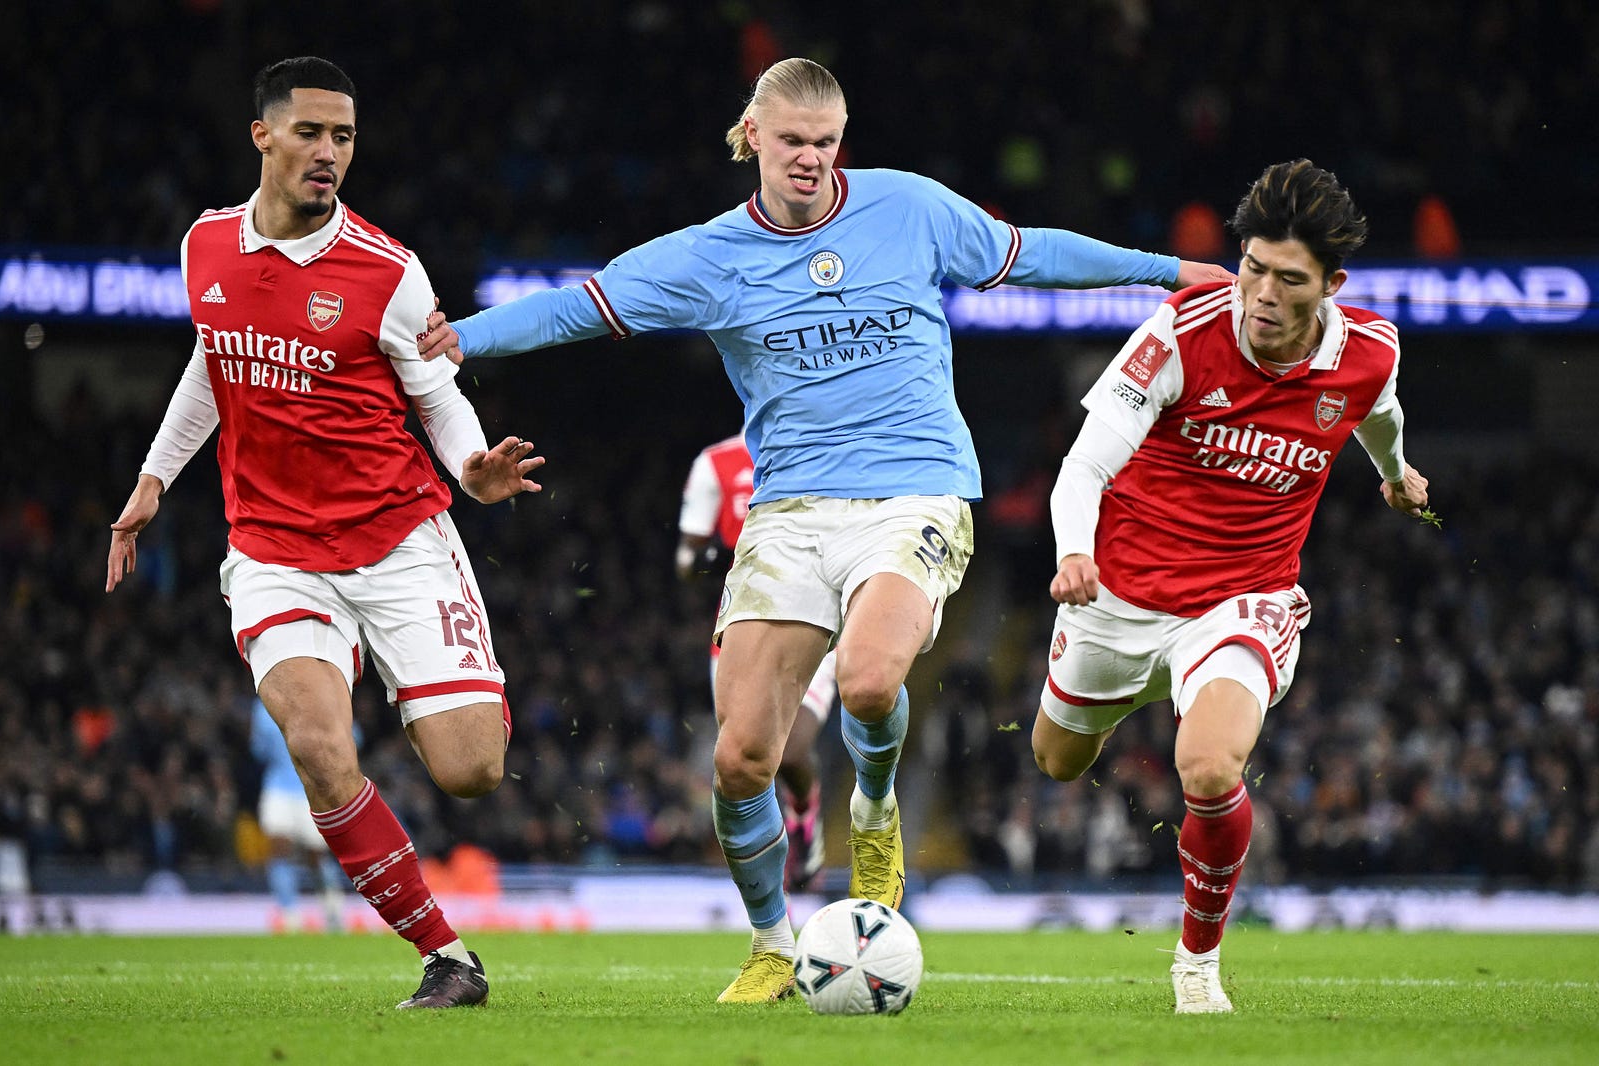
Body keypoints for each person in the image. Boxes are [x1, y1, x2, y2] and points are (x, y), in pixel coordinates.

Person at [417, 56, 1230, 1004]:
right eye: (793, 141)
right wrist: (465, 338)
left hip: (915, 495)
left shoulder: (910, 209)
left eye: (826, 142)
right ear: (752, 137)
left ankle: (875, 811)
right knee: (739, 758)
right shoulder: (707, 258)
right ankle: (770, 943)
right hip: (789, 512)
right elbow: (578, 308)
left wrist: (1167, 271)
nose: (811, 159)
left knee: (870, 679)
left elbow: (1033, 250)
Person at [105, 56, 545, 1009]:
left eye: (344, 137)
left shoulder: (386, 269)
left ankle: (431, 685)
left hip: (397, 539)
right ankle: (447, 957)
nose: (330, 153)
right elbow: (212, 364)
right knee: (314, 744)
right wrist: (153, 479)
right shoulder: (204, 247)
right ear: (262, 134)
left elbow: (438, 392)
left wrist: (473, 471)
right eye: (310, 132)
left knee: (471, 771)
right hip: (271, 549)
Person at [1031, 159, 1431, 1014]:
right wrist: (1073, 554)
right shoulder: (1179, 333)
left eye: (1290, 279)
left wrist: (1396, 475)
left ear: (1332, 285)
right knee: (1055, 761)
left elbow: (1381, 413)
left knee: (1208, 768)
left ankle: (1197, 966)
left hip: (1242, 600)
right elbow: (1084, 467)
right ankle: (1115, 696)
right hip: (1117, 594)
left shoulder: (1369, 351)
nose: (1262, 293)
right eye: (1252, 267)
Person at [677, 433, 835, 892]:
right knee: (743, 759)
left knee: (788, 749)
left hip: (818, 617)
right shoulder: (716, 463)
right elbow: (688, 554)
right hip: (742, 624)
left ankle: (805, 815)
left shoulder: (830, 442)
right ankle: (768, 875)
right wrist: (704, 558)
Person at [249, 697, 349, 933]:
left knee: (316, 855)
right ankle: (289, 914)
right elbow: (258, 749)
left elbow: (350, 737)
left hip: (311, 789)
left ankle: (332, 908)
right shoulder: (262, 705)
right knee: (278, 848)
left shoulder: (316, 696)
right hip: (277, 787)